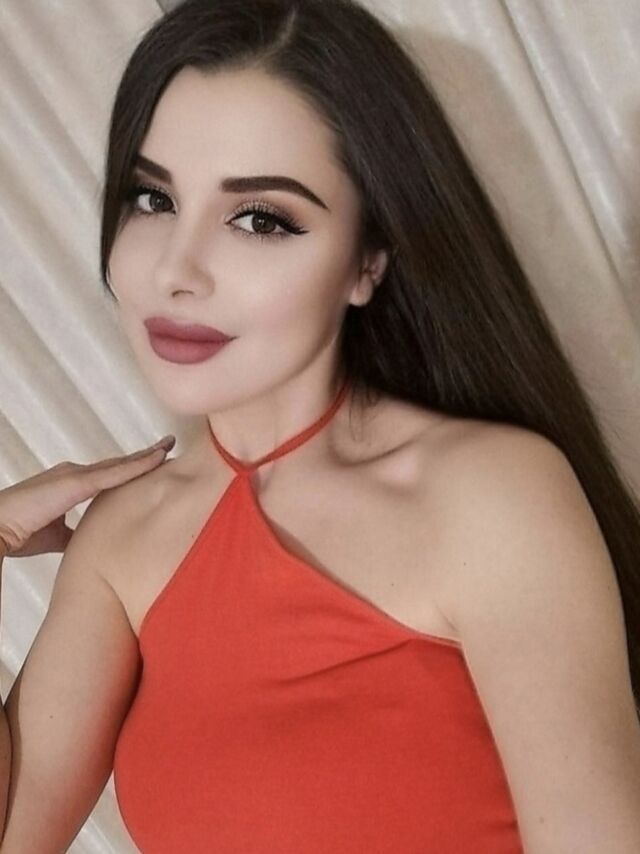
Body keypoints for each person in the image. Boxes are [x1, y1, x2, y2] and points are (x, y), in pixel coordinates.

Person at [1, 0, 640, 850]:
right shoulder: (124, 537)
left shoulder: (487, 496)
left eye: (259, 219)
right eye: (152, 199)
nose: (176, 270)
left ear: (367, 260)